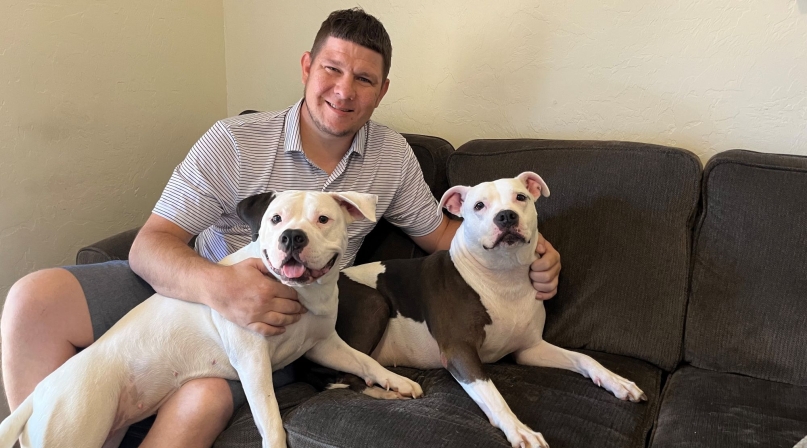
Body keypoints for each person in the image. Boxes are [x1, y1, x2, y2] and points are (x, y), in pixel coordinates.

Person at [1, 8, 561, 447]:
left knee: (202, 401)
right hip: (183, 289)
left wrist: (531, 248)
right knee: (33, 300)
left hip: (276, 326)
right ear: (306, 68)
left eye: (364, 79)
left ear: (383, 89)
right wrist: (219, 287)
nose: (344, 91)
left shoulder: (390, 157)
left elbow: (445, 237)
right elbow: (152, 244)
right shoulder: (234, 141)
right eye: (332, 69)